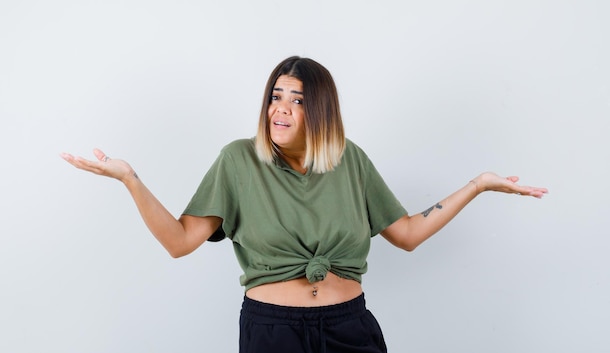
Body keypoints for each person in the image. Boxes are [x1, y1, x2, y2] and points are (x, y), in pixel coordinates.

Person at [61, 56, 548, 353]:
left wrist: (478, 185)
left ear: (320, 110)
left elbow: (407, 235)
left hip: (349, 326)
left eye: (296, 99)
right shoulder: (238, 161)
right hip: (273, 333)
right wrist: (131, 179)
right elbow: (179, 242)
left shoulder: (349, 160)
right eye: (276, 96)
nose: (281, 108)